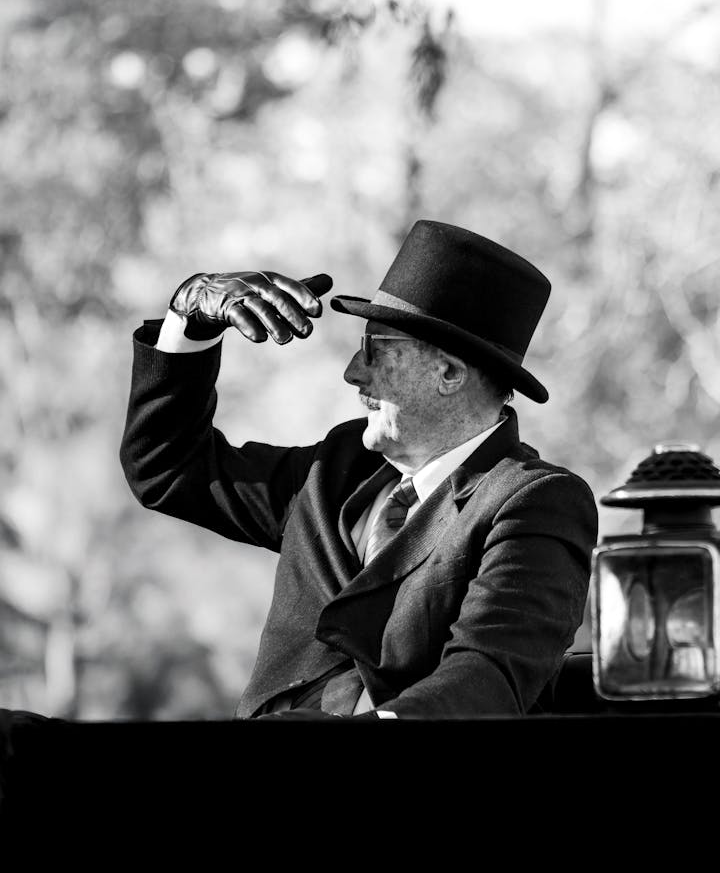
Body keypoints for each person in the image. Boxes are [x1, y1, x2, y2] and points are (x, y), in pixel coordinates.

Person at [119, 219, 598, 720]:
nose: (352, 371)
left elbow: (486, 679)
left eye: (375, 349)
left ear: (450, 373)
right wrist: (190, 312)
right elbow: (167, 469)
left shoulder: (535, 501)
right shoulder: (339, 463)